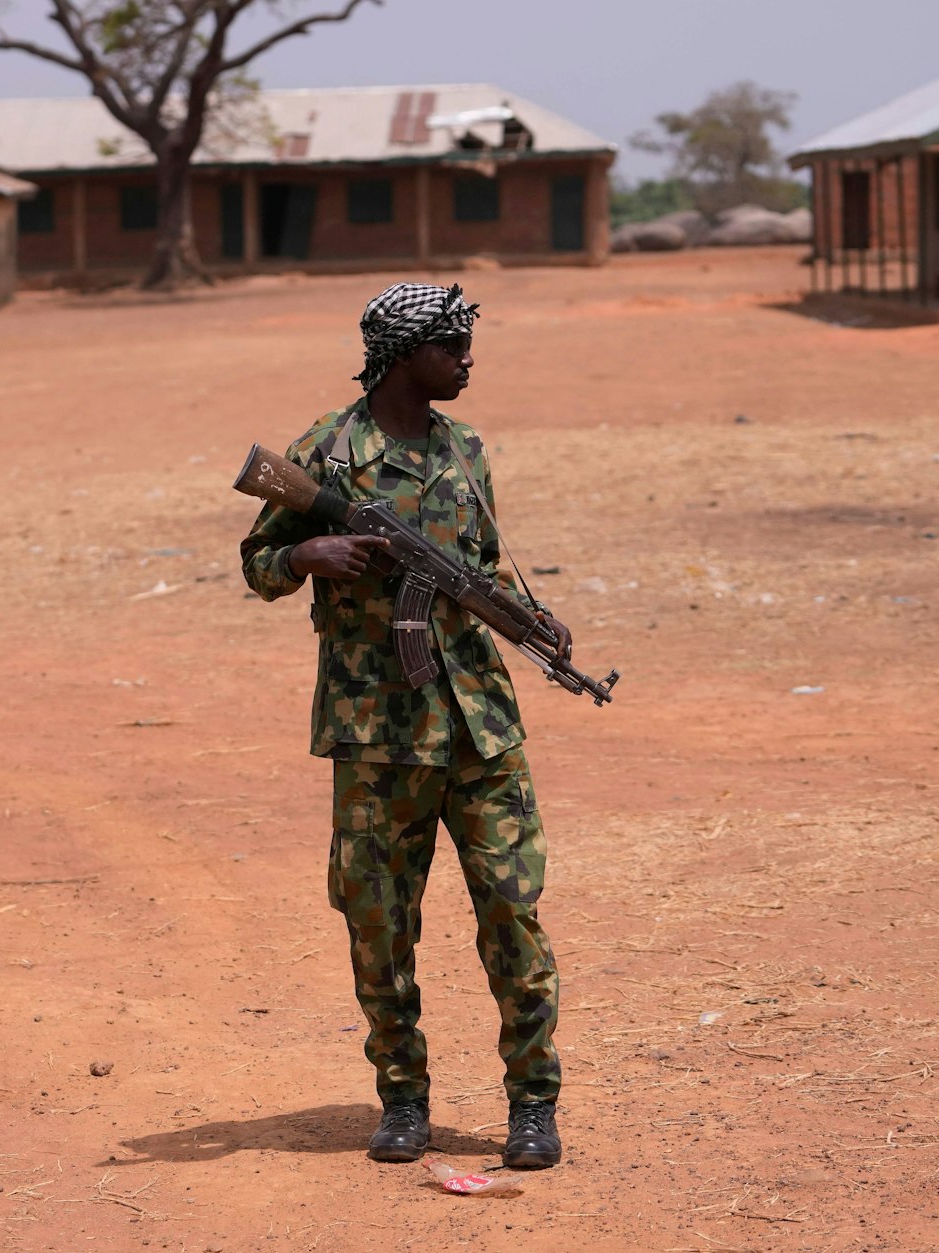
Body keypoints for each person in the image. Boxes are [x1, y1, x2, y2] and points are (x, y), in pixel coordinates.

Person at [239, 283, 567, 1169]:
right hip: (377, 733)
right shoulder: (328, 452)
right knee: (380, 919)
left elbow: (483, 570)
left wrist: (535, 625)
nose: (467, 360)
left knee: (513, 908)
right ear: (404, 354)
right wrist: (311, 553)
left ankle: (533, 1103)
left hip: (480, 727)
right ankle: (403, 1098)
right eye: (452, 346)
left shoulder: (465, 451)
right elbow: (258, 563)